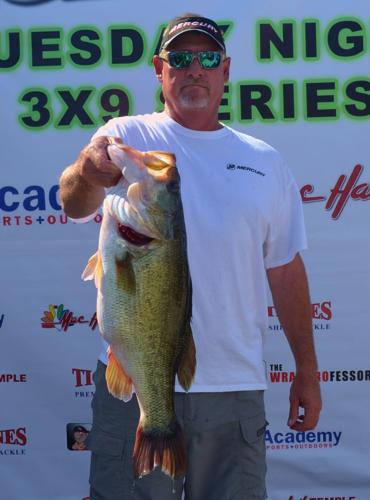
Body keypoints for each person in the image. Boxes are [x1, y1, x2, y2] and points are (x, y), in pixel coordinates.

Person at [59, 13, 322, 500]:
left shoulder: (265, 160)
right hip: (137, 385)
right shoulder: (126, 134)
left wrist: (307, 369)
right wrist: (87, 170)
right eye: (180, 59)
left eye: (206, 59)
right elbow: (73, 202)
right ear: (161, 70)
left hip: (234, 385)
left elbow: (285, 269)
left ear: (225, 70)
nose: (193, 70)